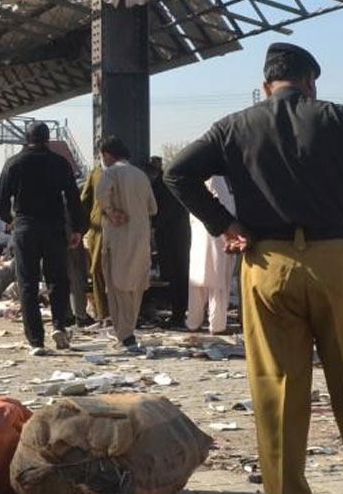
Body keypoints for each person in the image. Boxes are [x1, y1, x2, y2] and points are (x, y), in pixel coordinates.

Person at [165, 42, 343, 494]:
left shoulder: (234, 126)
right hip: (336, 267)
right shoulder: (340, 119)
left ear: (266, 87)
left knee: (277, 400)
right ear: (310, 83)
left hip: (267, 266)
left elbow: (178, 173)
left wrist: (224, 224)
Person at [0, 122, 87, 356]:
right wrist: (77, 228)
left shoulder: (13, 163)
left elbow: (1, 201)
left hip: (26, 227)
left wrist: (11, 219)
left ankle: (36, 340)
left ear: (27, 140)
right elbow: (73, 197)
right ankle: (59, 325)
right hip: (54, 228)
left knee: (27, 282)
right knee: (58, 278)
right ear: (48, 140)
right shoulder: (60, 163)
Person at [95, 137, 157, 350]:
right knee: (136, 285)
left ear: (107, 155)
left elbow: (101, 195)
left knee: (116, 285)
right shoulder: (141, 175)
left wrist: (111, 212)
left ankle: (125, 334)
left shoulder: (110, 173)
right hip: (140, 237)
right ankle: (128, 330)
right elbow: (153, 208)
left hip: (118, 237)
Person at [187, 175, 238, 334]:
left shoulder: (194, 179)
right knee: (219, 282)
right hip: (218, 234)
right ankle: (217, 325)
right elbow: (226, 206)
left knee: (198, 282)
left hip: (200, 233)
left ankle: (193, 322)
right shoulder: (216, 179)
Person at [147, 157, 191, 329]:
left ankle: (177, 315)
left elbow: (162, 213)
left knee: (175, 276)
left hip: (170, 237)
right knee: (180, 275)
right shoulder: (171, 182)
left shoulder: (161, 186)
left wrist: (152, 224)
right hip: (180, 235)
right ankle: (179, 313)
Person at [79, 164, 109, 322]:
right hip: (122, 228)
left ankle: (103, 313)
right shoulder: (132, 172)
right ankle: (121, 313)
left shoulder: (97, 172)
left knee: (98, 269)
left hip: (100, 228)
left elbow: (84, 201)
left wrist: (81, 229)